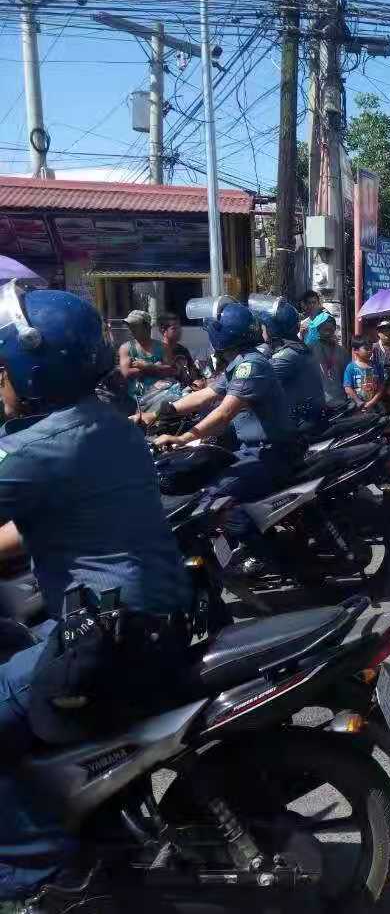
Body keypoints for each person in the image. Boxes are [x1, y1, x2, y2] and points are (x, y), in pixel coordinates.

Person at [0, 286, 191, 906]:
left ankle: (37, 880)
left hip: (111, 632)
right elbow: (35, 526)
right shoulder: (107, 424)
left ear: (32, 367)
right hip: (156, 617)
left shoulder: (34, 449)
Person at [151, 297, 299, 576]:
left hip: (273, 453)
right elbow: (206, 394)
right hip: (253, 450)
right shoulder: (239, 363)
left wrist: (183, 438)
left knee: (214, 497)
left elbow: (224, 414)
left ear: (223, 335)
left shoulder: (251, 366)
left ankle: (263, 555)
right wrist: (157, 413)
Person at [252, 295, 327, 433]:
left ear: (271, 329)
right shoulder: (296, 347)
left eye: (263, 327)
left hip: (298, 426)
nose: (261, 331)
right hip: (306, 418)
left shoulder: (286, 356)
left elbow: (253, 385)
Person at [118, 309, 174, 401]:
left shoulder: (163, 347)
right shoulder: (126, 348)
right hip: (134, 399)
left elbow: (170, 370)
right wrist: (155, 367)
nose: (131, 329)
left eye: (135, 326)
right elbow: (126, 373)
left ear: (147, 327)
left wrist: (145, 366)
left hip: (160, 396)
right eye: (130, 326)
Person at [343, 336, 387, 412]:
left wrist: (371, 402)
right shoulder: (351, 367)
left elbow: (381, 386)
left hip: (375, 405)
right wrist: (359, 402)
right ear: (355, 350)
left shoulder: (377, 366)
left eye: (371, 348)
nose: (370, 351)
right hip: (357, 407)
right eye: (366, 349)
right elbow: (348, 387)